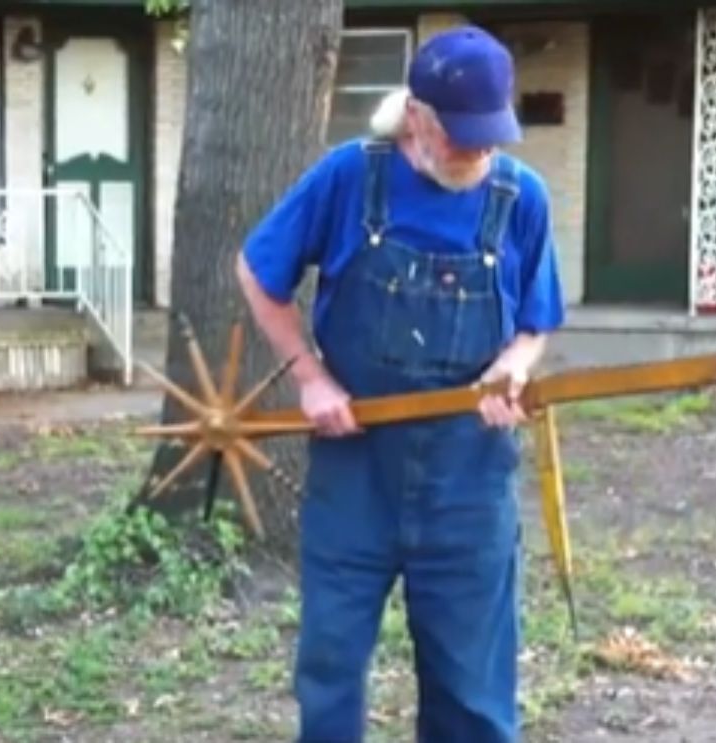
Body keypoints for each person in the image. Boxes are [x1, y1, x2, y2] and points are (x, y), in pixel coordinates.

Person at [235, 24, 565, 743]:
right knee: (329, 672)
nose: (477, 153)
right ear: (416, 115)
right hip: (356, 471)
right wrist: (311, 375)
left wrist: (514, 364)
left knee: (472, 693)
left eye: (491, 136)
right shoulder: (349, 177)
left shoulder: (521, 198)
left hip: (468, 479)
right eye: (460, 136)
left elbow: (536, 322)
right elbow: (257, 272)